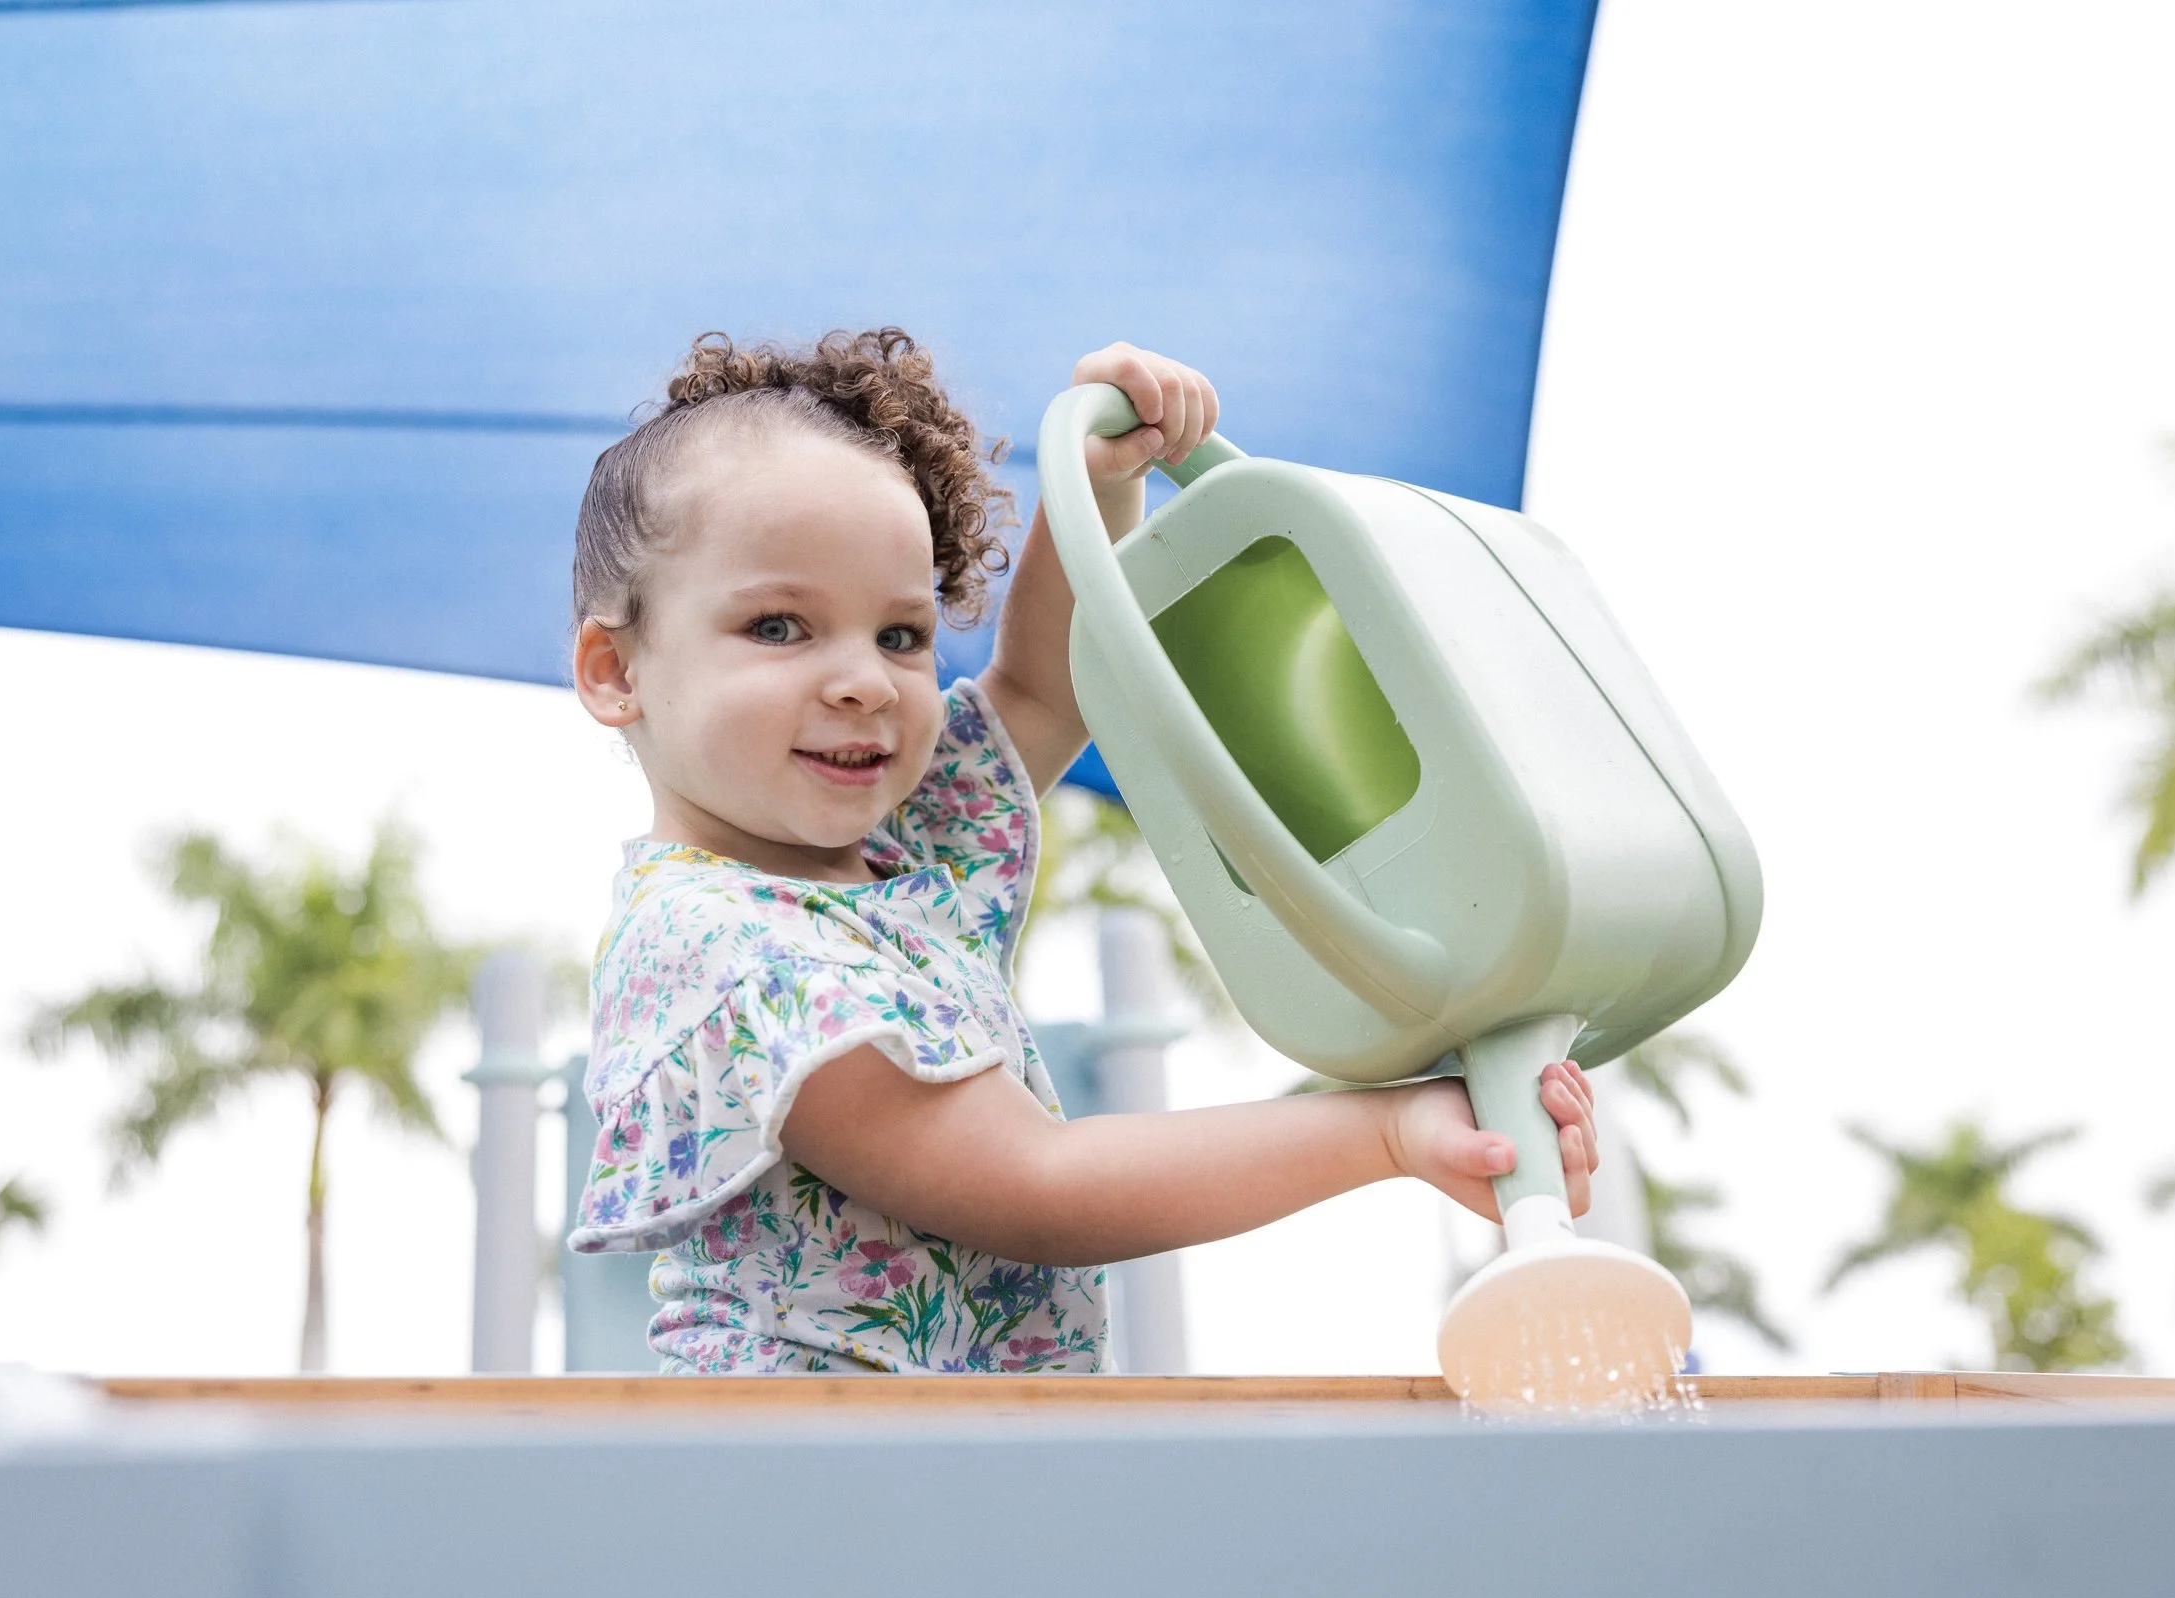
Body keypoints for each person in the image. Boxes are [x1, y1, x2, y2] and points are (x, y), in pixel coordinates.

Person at [566, 328, 1599, 1372]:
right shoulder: (712, 943)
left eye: (901, 634)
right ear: (616, 671)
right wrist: (1387, 1132)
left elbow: (1042, 686)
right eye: (780, 626)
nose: (865, 683)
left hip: (941, 1470)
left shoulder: (903, 848)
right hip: (800, 1481)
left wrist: (1099, 484)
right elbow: (1037, 1185)